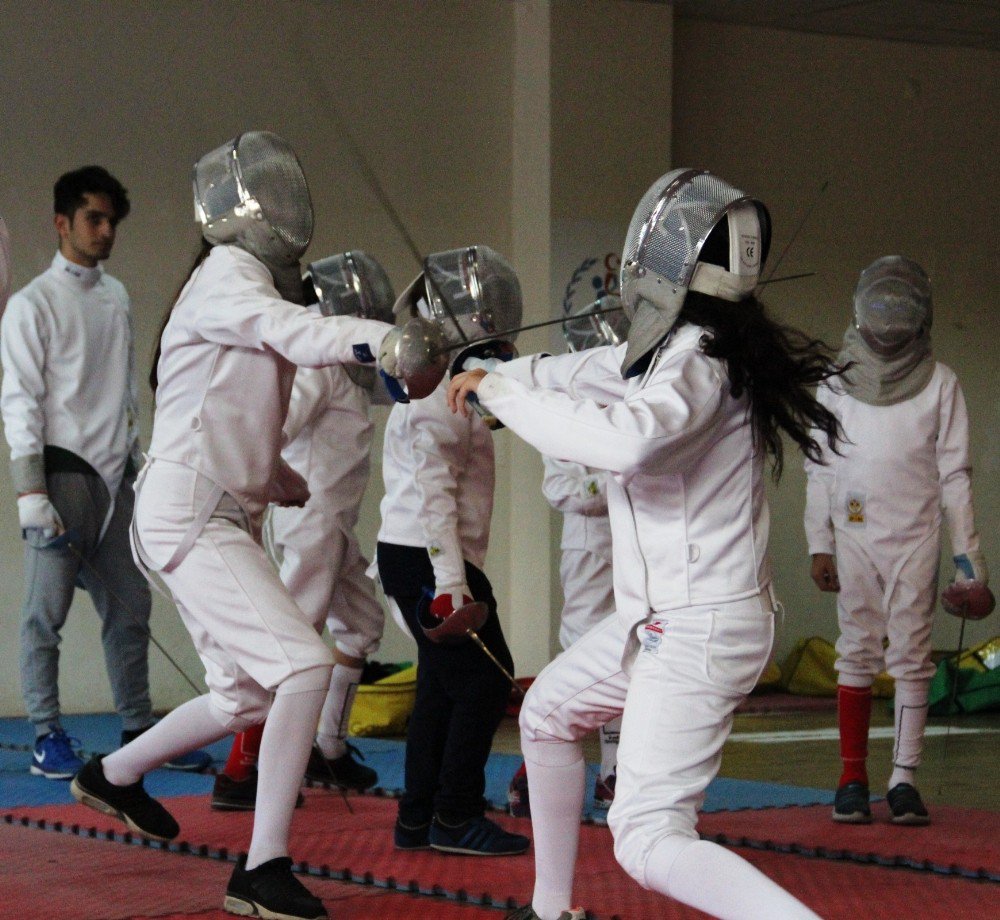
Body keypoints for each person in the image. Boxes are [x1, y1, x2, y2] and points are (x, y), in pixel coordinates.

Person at [448, 168, 841, 920]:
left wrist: (501, 395)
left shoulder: (700, 360)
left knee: (648, 837)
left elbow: (628, 443)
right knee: (548, 714)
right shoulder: (675, 349)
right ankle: (552, 909)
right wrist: (498, 370)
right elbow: (586, 370)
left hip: (701, 628)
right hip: (658, 620)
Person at [67, 132, 420, 920]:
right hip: (192, 514)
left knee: (242, 698)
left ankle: (111, 775)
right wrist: (381, 338)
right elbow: (298, 339)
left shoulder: (251, 283)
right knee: (302, 667)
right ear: (234, 210)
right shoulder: (229, 277)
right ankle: (261, 869)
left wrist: (280, 478)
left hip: (212, 507)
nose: (287, 209)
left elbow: (231, 411)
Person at [0, 167, 208, 779]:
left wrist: (137, 464)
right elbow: (20, 400)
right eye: (94, 218)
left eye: (111, 220)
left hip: (115, 480)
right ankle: (46, 736)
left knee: (132, 605)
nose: (105, 230)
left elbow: (120, 393)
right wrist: (30, 493)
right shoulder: (31, 306)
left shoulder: (115, 296)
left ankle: (140, 729)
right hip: (59, 478)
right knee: (46, 613)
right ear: (61, 222)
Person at [804, 255, 988, 827]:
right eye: (879, 305)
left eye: (898, 306)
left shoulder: (942, 383)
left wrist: (969, 565)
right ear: (861, 312)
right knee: (856, 648)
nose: (888, 317)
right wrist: (820, 543)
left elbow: (955, 476)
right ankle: (851, 776)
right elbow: (820, 467)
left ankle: (904, 778)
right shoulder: (834, 383)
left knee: (912, 656)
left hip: (916, 537)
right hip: (854, 534)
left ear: (920, 315)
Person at [211, 252, 393, 810]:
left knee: (361, 627)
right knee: (291, 651)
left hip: (334, 528)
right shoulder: (316, 370)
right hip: (309, 522)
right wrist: (269, 489)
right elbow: (272, 428)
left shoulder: (346, 377)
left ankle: (327, 748)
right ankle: (242, 770)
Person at [376, 246, 529, 857]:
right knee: (487, 685)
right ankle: (455, 815)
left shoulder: (446, 389)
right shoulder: (431, 399)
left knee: (441, 689)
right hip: (429, 560)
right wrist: (452, 587)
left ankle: (418, 818)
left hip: (422, 557)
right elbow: (435, 501)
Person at [508, 298, 627, 818]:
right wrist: (619, 475)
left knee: (635, 647)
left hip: (639, 540)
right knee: (584, 650)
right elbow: (562, 488)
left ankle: (616, 772)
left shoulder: (637, 399)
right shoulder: (560, 401)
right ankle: (533, 771)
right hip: (589, 543)